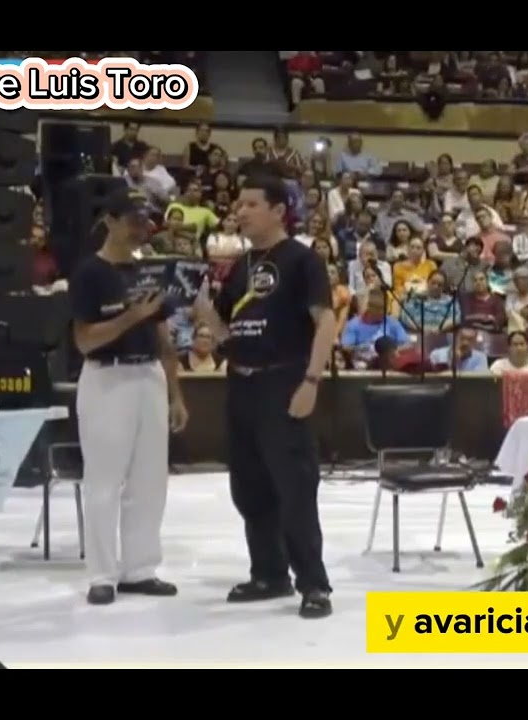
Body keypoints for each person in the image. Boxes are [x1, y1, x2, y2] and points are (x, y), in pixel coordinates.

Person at [193, 174, 339, 619]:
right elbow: (222, 329)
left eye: (251, 203)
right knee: (250, 486)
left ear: (278, 211)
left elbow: (326, 321)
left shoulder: (302, 260)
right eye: (239, 204)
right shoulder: (238, 266)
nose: (240, 210)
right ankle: (269, 572)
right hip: (242, 383)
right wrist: (199, 305)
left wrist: (311, 382)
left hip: (285, 382)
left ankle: (313, 583)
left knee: (294, 487)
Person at [68, 189, 189, 606]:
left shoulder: (150, 271)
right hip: (107, 378)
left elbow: (161, 334)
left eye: (146, 220)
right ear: (111, 221)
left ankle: (140, 568)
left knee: (150, 480)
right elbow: (84, 340)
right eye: (135, 220)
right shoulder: (90, 273)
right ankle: (101, 573)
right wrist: (130, 316)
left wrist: (175, 392)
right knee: (104, 479)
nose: (143, 228)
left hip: (148, 375)